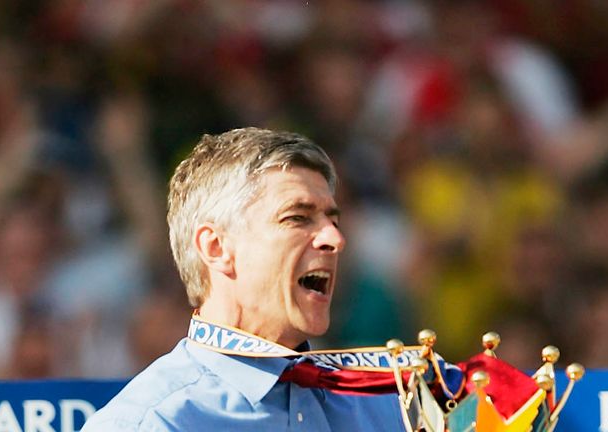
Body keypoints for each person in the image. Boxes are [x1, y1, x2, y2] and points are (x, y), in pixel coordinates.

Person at [81, 127, 415, 431]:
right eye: (297, 218)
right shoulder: (151, 423)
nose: (335, 239)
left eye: (332, 220)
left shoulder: (393, 403)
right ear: (216, 247)